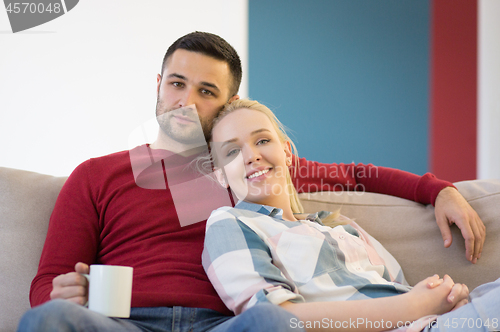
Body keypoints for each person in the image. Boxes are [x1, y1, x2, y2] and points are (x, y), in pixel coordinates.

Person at [17, 31, 484, 331]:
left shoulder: (246, 166)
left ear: (228, 101)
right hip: (124, 322)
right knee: (49, 319)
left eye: (206, 91)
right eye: (177, 83)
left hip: (225, 325)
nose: (185, 101)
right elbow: (46, 282)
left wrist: (438, 190)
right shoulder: (97, 175)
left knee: (271, 321)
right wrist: (62, 292)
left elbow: (357, 175)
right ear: (158, 83)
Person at [201, 98, 500, 331]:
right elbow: (277, 321)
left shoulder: (341, 227)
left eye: (262, 140)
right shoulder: (229, 222)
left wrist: (445, 300)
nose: (251, 155)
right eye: (231, 152)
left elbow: (401, 288)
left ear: (287, 151)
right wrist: (415, 306)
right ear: (220, 176)